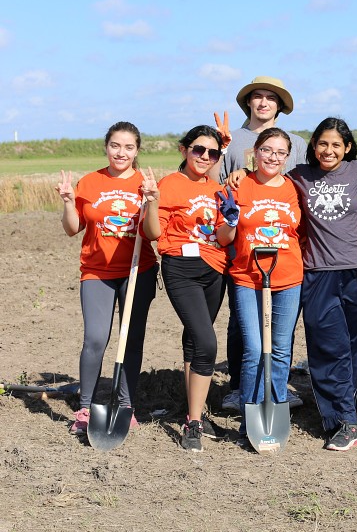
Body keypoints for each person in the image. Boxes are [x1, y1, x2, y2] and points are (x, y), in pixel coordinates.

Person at [55, 122, 159, 437]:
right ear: (106, 146)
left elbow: (153, 234)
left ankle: (126, 407)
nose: (121, 152)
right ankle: (85, 407)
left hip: (137, 271)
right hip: (97, 272)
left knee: (131, 339)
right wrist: (69, 202)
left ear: (137, 150)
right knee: (96, 339)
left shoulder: (146, 183)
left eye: (128, 147)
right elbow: (72, 228)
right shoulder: (90, 182)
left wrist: (152, 201)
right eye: (116, 145)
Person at [287, 118, 357, 452]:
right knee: (327, 347)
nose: (329, 150)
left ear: (348, 147)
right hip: (317, 272)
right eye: (323, 144)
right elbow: (265, 186)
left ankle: (345, 409)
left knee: (356, 345)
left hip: (356, 269)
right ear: (313, 146)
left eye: (336, 145)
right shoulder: (298, 176)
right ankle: (345, 421)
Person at [219, 76, 307, 413]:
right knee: (252, 345)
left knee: (281, 347)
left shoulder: (294, 186)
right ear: (254, 153)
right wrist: (228, 215)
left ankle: (277, 400)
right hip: (245, 269)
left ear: (288, 155)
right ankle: (247, 401)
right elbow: (216, 182)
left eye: (279, 152)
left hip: (287, 273)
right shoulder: (240, 177)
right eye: (266, 150)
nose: (272, 156)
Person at [141, 125, 228, 452]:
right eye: (199, 150)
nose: (205, 157)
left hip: (215, 269)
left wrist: (230, 221)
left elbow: (222, 238)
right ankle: (193, 422)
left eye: (213, 152)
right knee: (206, 342)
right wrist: (153, 203)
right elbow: (151, 233)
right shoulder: (169, 185)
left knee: (194, 339)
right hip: (181, 268)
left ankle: (194, 410)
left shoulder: (217, 189)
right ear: (184, 150)